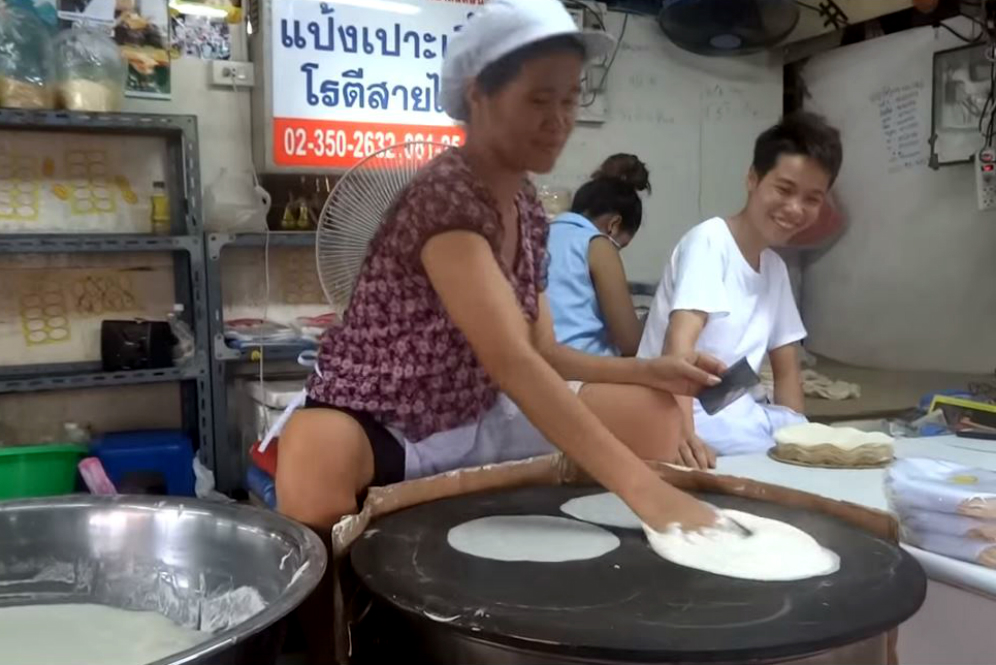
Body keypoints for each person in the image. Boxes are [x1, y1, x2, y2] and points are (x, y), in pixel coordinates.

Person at [275, 0, 725, 539]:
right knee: (313, 455)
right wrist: (649, 494)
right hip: (389, 420)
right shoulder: (445, 195)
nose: (559, 120)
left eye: (569, 98)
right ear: (478, 95)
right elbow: (512, 362)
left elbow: (544, 353)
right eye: (539, 98)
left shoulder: (529, 209)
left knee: (651, 412)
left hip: (477, 412)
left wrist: (648, 370)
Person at [637, 112, 843, 460]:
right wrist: (682, 436)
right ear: (752, 179)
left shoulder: (774, 268)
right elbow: (678, 347)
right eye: (784, 189)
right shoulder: (710, 242)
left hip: (733, 408)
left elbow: (787, 368)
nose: (795, 208)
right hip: (676, 407)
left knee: (824, 447)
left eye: (812, 198)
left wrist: (801, 442)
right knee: (763, 450)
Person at [546, 155, 650, 357]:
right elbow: (631, 344)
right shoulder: (597, 245)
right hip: (580, 369)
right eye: (621, 245)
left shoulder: (538, 235)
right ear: (613, 225)